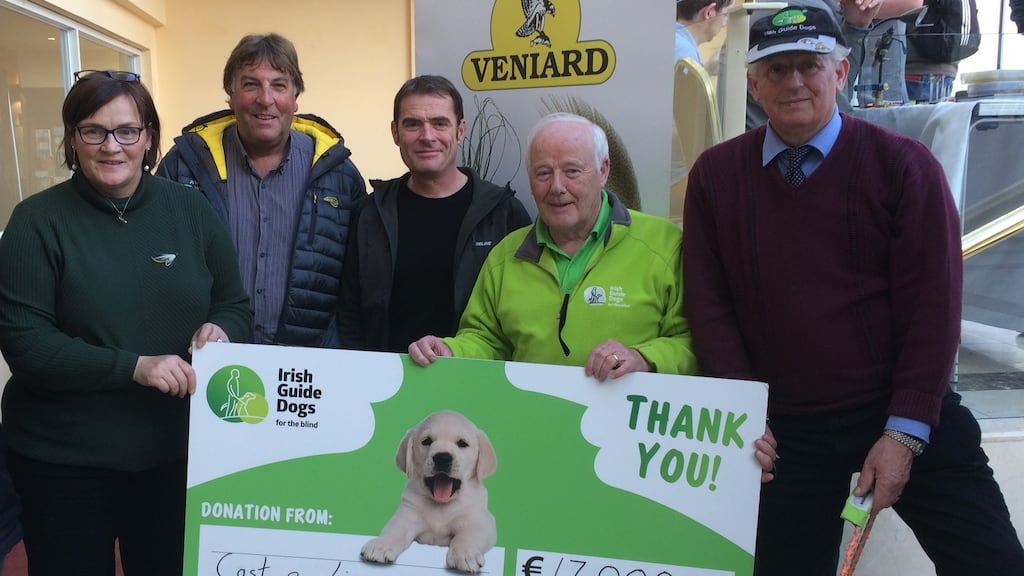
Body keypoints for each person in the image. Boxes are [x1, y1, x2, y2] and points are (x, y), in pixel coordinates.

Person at [682, 6, 1024, 574]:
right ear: (752, 83)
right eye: (777, 68)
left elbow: (934, 311)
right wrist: (742, 411)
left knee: (993, 563)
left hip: (900, 405)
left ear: (841, 73)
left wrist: (905, 432)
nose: (794, 81)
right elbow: (709, 305)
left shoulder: (904, 168)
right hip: (783, 426)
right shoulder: (716, 177)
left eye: (810, 66)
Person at [0, 70, 251, 576]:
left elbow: (234, 305)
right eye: (93, 131)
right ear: (73, 138)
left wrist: (222, 329)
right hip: (65, 462)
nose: (111, 146)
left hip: (175, 455)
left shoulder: (191, 210)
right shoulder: (35, 222)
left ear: (149, 137)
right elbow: (27, 346)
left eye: (126, 131)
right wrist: (132, 367)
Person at [408, 112, 696, 380]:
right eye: (543, 173)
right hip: (535, 424)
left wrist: (644, 358)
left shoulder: (662, 244)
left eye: (572, 171)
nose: (557, 187)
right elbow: (487, 341)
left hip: (626, 427)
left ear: (603, 170)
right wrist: (451, 351)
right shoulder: (507, 255)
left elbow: (693, 342)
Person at [157, 33, 366, 347]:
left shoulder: (338, 175)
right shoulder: (183, 167)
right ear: (231, 94)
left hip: (305, 370)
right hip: (206, 359)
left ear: (295, 97)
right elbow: (157, 263)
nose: (265, 99)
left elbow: (356, 285)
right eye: (250, 84)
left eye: (279, 85)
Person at [338, 75, 530, 353]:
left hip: (475, 382)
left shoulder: (503, 214)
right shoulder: (370, 214)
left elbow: (522, 312)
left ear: (460, 130)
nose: (427, 137)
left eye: (440, 123)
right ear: (395, 132)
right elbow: (348, 314)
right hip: (386, 387)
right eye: (413, 124)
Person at [675, 0, 734, 70]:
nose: (724, 24)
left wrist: (708, 68)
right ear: (709, 12)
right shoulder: (685, 53)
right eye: (725, 15)